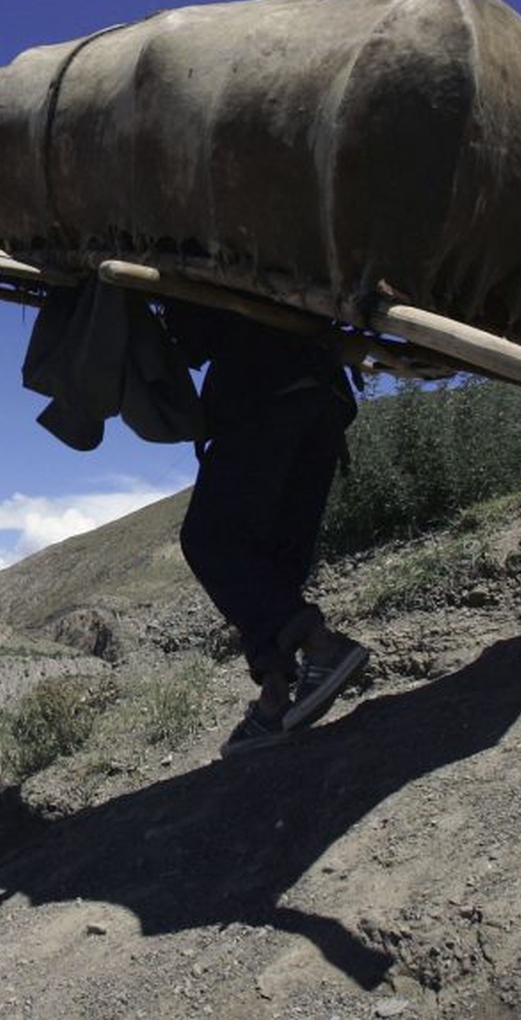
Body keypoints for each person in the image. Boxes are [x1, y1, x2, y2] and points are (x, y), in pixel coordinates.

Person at [163, 301, 371, 756]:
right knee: (273, 558)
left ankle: (321, 645)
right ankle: (274, 696)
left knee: (210, 538)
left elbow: (195, 335)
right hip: (324, 400)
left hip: (264, 390)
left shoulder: (214, 250)